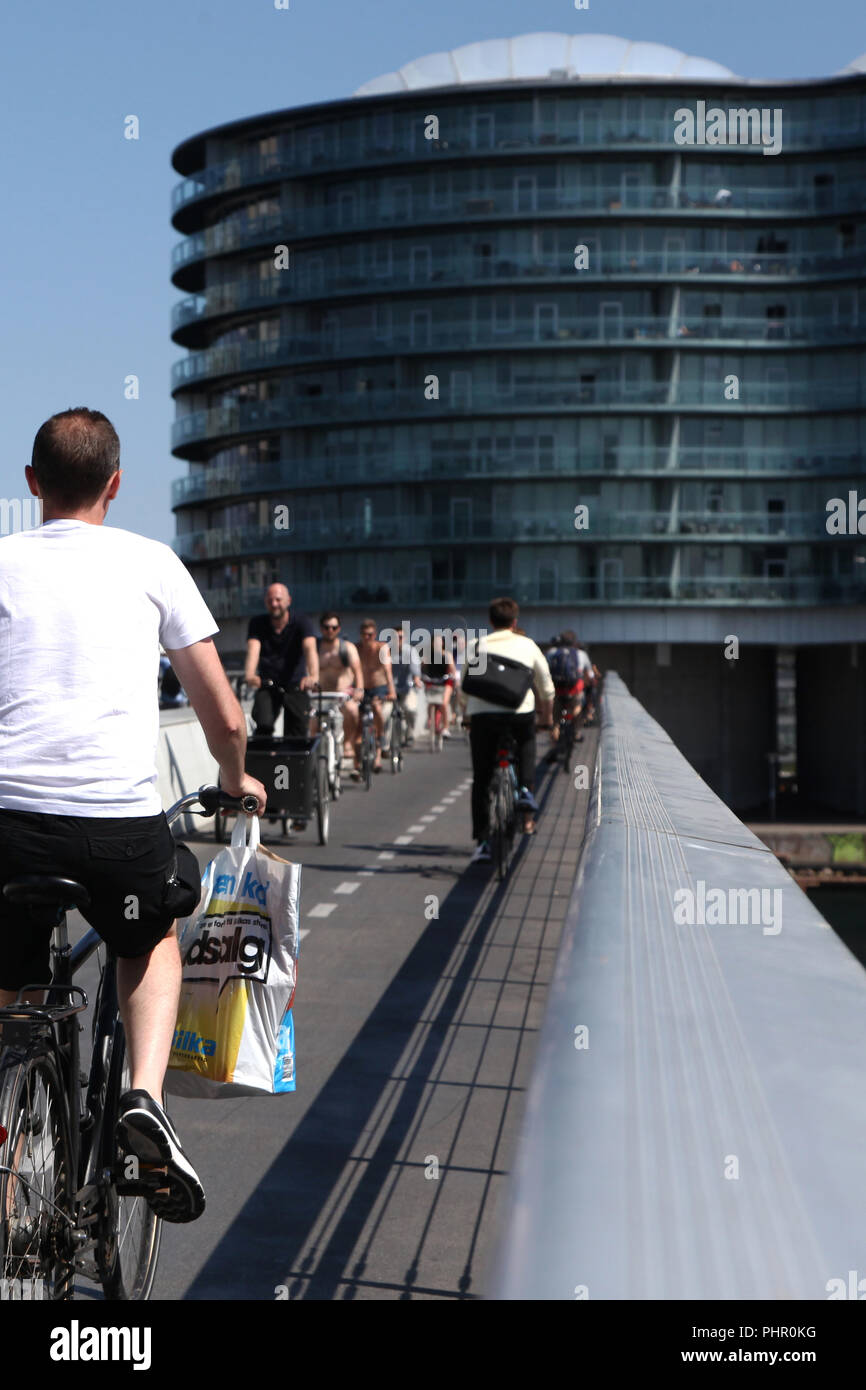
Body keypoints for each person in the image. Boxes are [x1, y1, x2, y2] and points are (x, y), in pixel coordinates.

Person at [0, 407, 267, 1224]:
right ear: (115, 484)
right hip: (116, 824)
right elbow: (222, 715)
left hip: (9, 821)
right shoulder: (152, 563)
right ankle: (144, 1098)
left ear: (32, 483)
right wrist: (236, 780)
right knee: (148, 935)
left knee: (12, 986)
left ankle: (13, 1159)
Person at [462, 597, 554, 860]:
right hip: (519, 712)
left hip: (483, 715)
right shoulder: (527, 645)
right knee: (526, 743)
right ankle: (525, 790)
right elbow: (546, 686)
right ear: (515, 622)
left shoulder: (476, 645)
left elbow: (463, 686)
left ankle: (481, 842)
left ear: (491, 621)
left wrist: (465, 715)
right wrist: (547, 718)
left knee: (481, 778)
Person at [244, 583, 319, 738]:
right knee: (263, 725)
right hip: (268, 683)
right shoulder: (257, 623)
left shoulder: (302, 622)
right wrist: (250, 675)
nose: (274, 604)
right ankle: (264, 759)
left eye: (278, 600)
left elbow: (310, 649)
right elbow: (253, 650)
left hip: (295, 683)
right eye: (270, 600)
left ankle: (291, 760)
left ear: (288, 601)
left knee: (297, 731)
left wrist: (313, 676)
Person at [316, 611, 363, 764]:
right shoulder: (315, 648)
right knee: (311, 724)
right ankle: (314, 758)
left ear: (339, 629)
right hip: (321, 695)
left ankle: (348, 742)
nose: (330, 630)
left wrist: (359, 689)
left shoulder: (347, 648)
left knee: (352, 711)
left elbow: (357, 671)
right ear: (321, 628)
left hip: (342, 695)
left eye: (334, 627)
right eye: (326, 627)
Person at [356, 618, 397, 774]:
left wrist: (391, 691)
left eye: (371, 634)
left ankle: (380, 739)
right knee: (358, 721)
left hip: (379, 687)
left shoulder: (382, 648)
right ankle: (359, 760)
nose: (368, 638)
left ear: (375, 634)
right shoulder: (356, 648)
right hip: (362, 688)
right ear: (360, 635)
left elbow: (388, 671)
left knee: (377, 709)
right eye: (365, 634)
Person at [546, 630, 594, 756]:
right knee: (577, 707)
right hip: (574, 690)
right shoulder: (580, 654)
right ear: (574, 642)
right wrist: (589, 682)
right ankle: (576, 731)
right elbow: (589, 674)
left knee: (556, 711)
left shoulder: (552, 652)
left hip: (558, 689)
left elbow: (545, 671)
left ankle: (555, 729)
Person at [420, 633, 458, 737]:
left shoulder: (447, 654)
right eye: (435, 642)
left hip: (445, 681)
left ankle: (445, 727)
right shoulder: (428, 655)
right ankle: (431, 722)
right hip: (432, 680)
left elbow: (452, 669)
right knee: (430, 703)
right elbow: (421, 666)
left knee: (444, 704)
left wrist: (453, 676)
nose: (437, 644)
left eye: (439, 642)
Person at [392, 626, 423, 746]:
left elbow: (415, 667)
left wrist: (416, 679)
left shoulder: (410, 651)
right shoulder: (386, 651)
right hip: (390, 689)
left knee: (410, 709)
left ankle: (410, 734)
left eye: (400, 637)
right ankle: (385, 741)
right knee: (384, 713)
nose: (398, 640)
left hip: (406, 687)